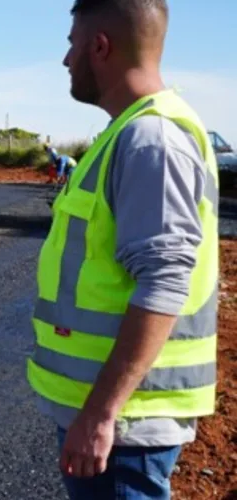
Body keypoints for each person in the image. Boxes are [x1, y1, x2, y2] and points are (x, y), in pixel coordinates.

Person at [28, 1, 219, 499]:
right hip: (117, 415)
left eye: (72, 45)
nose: (66, 60)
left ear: (100, 46)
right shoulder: (127, 134)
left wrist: (100, 413)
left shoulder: (150, 138)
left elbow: (164, 278)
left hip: (125, 425)